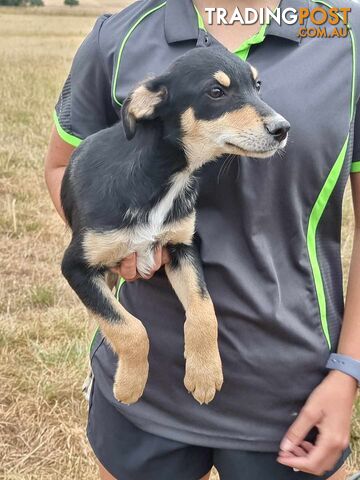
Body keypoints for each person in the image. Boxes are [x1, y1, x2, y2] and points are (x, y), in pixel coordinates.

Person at [45, 0, 360, 478]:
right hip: (146, 391)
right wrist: (112, 248)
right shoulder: (119, 33)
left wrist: (348, 371)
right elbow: (63, 166)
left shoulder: (344, 28)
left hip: (294, 390)